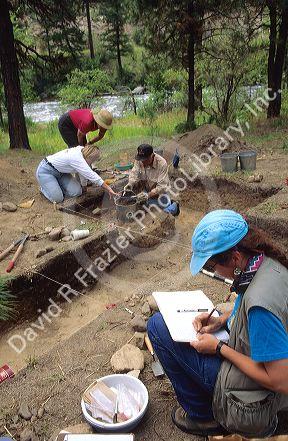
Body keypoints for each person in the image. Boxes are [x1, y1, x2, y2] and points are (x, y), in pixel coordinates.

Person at [148, 209, 288, 437]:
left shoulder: (260, 305)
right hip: (259, 379)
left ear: (234, 257)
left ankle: (204, 416)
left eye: (211, 267)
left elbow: (281, 381)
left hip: (255, 405)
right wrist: (221, 320)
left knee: (157, 327)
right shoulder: (265, 262)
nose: (213, 272)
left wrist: (219, 348)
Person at [36, 145, 117, 203]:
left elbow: (83, 171)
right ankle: (44, 189)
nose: (93, 163)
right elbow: (91, 175)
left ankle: (55, 186)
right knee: (58, 199)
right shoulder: (76, 158)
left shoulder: (84, 152)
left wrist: (84, 186)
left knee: (77, 192)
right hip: (46, 171)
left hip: (61, 173)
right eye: (93, 160)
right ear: (90, 157)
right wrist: (108, 188)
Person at [123, 144, 180, 216]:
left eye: (145, 160)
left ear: (152, 155)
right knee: (146, 207)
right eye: (141, 159)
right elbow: (135, 172)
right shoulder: (139, 160)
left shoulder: (162, 164)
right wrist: (130, 183)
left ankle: (174, 206)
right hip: (146, 188)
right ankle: (151, 202)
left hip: (160, 192)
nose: (142, 162)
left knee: (163, 213)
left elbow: (162, 187)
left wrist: (147, 195)